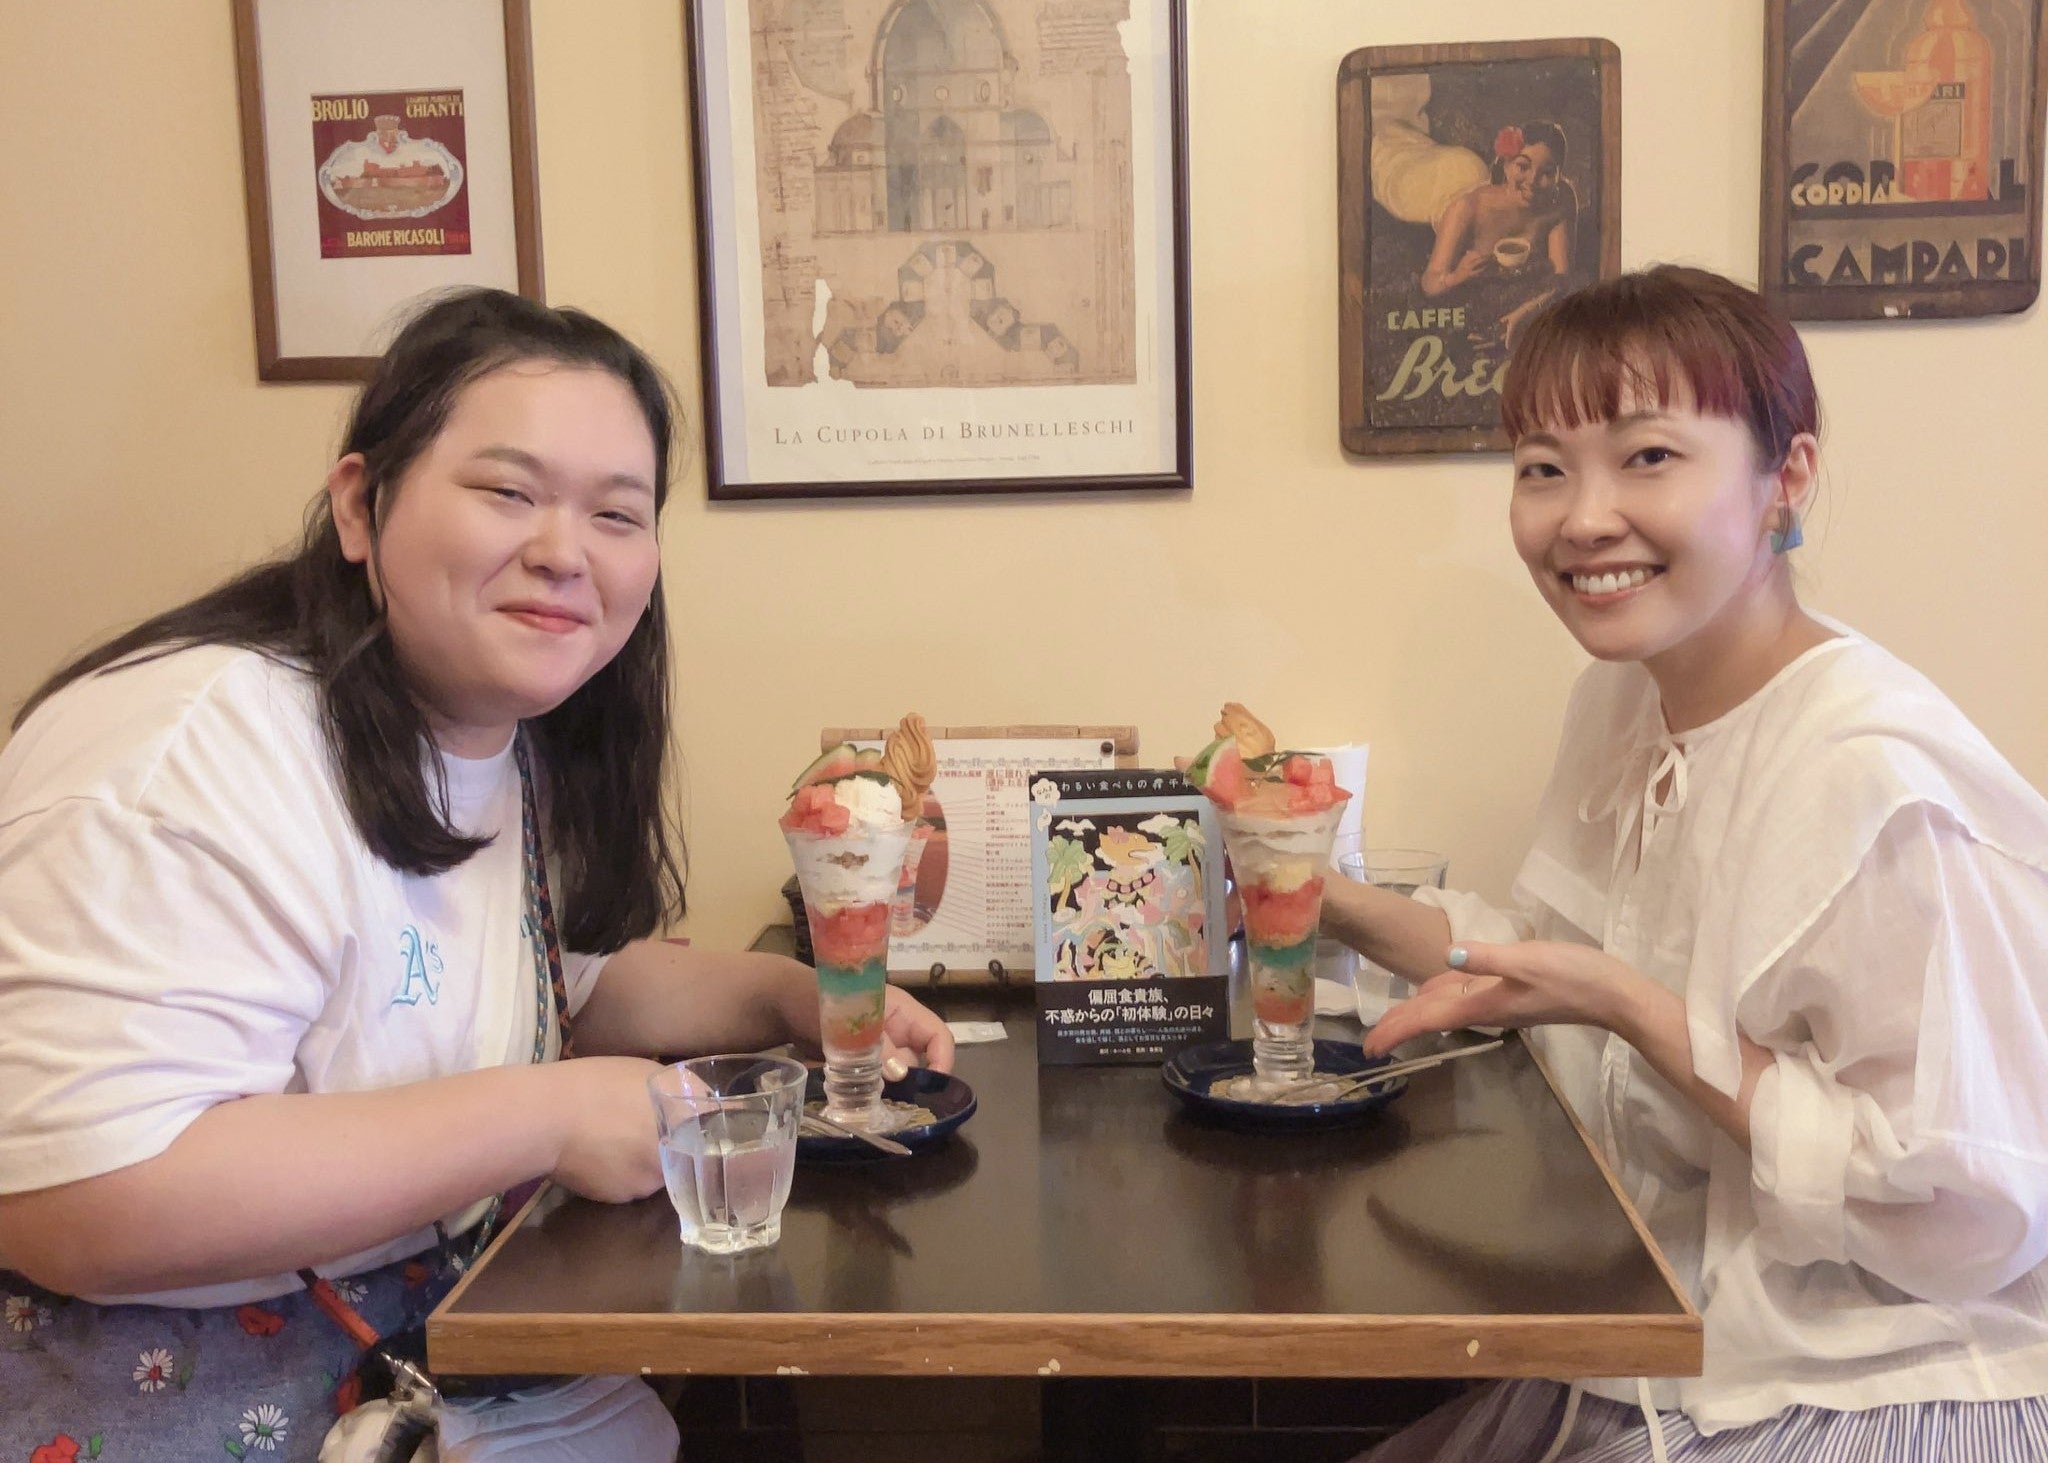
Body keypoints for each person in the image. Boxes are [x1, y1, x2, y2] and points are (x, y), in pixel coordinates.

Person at [0, 289, 954, 1462]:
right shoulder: (182, 748)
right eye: (507, 492)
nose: (562, 550)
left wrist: (789, 998)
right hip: (189, 1392)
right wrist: (544, 1115)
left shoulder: (493, 730)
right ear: (360, 505)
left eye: (616, 513)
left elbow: (545, 978)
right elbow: (82, 1200)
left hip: (441, 1350)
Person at [1322, 264, 2048, 1461]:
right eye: (1541, 467)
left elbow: (1968, 1213)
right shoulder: (1618, 701)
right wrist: (1313, 897)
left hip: (1866, 1382)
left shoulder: (1870, 774)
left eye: (1646, 456)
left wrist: (1626, 1005)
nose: (1581, 518)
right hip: (1658, 1352)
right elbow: (1546, 956)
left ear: (1784, 480)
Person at [1418, 120, 1578, 350]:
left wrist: (1525, 313)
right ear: (1506, 165)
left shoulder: (1561, 198)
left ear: (1558, 175)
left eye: (1547, 173)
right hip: (1442, 196)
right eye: (1523, 167)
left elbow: (1561, 277)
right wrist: (1457, 276)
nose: (1533, 181)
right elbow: (1430, 282)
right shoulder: (1467, 208)